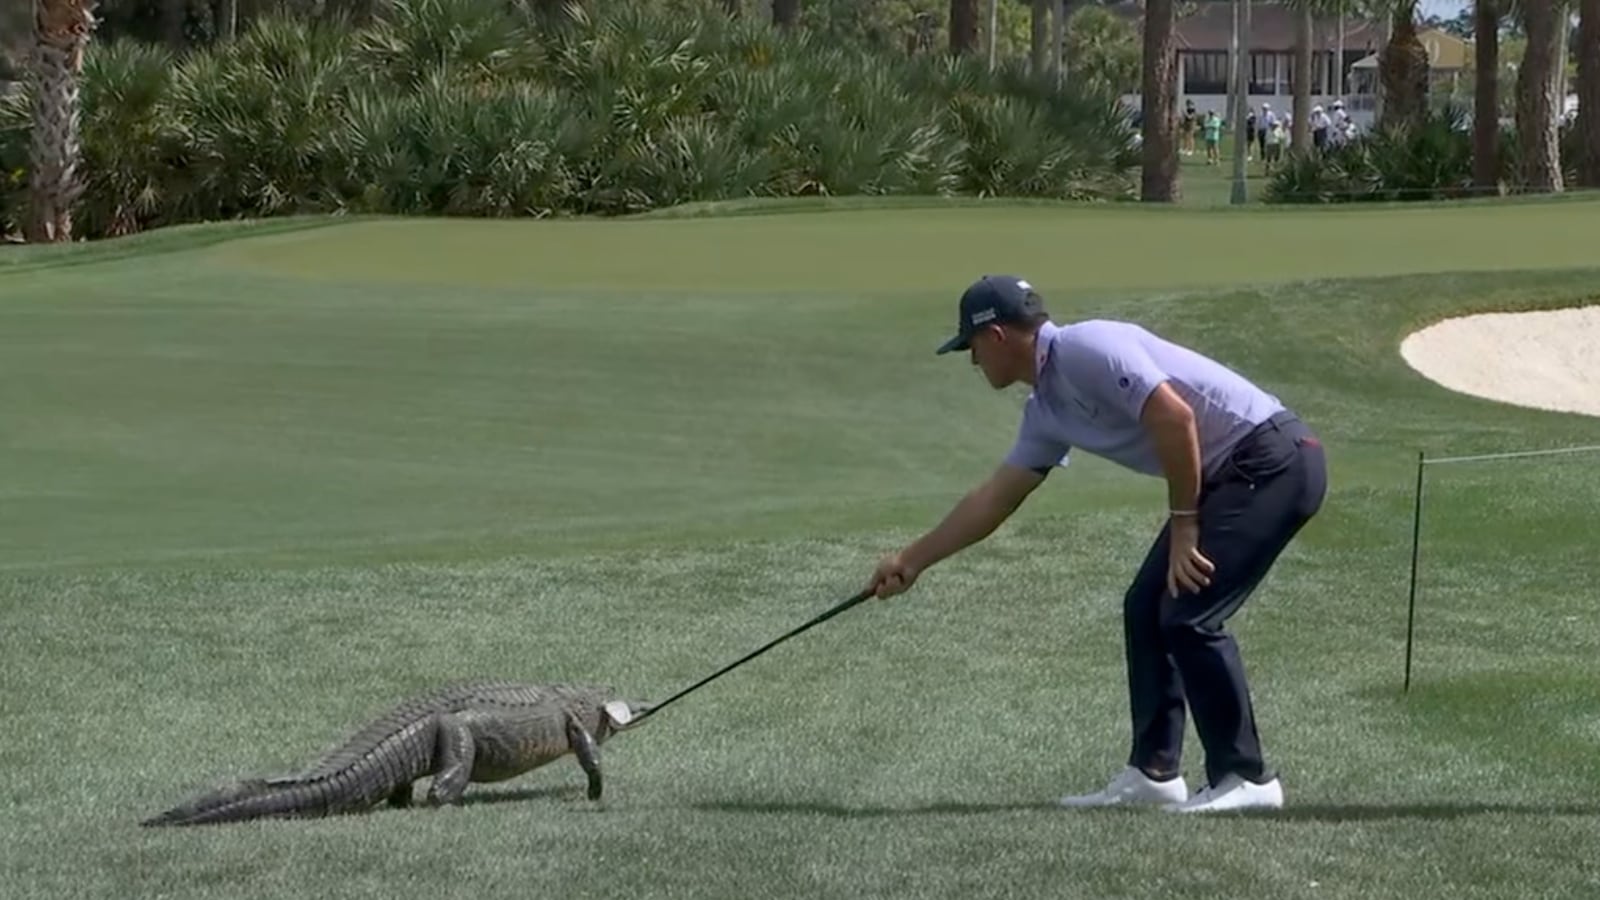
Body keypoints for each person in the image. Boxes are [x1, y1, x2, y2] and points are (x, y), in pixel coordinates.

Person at [865, 275, 1328, 814]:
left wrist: (1184, 524)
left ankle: (1245, 777)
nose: (973, 361)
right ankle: (1154, 773)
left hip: (1272, 461)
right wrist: (911, 561)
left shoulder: (1086, 346)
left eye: (971, 347)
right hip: (1231, 476)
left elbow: (1174, 416)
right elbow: (995, 498)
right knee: (1145, 608)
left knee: (1188, 616)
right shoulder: (1046, 410)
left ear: (995, 336)